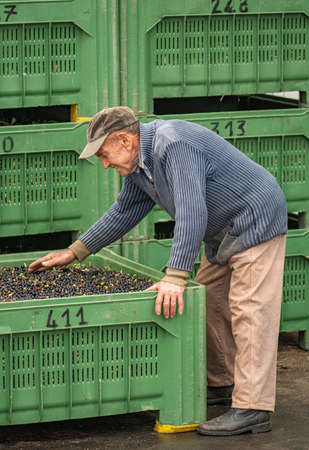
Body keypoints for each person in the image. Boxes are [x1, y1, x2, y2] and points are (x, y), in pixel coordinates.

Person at [29, 106, 287, 436]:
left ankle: (253, 407)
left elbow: (193, 211)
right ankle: (223, 383)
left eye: (105, 155)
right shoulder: (140, 165)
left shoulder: (173, 144)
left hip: (254, 221)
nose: (105, 164)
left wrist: (174, 277)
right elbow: (124, 211)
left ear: (124, 139)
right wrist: (74, 252)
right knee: (208, 304)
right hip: (222, 232)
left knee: (250, 311)